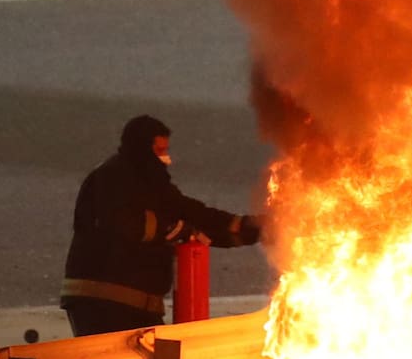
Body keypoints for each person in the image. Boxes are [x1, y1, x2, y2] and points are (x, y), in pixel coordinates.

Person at [60, 115, 262, 336]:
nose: (166, 158)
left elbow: (190, 213)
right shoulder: (111, 177)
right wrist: (174, 229)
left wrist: (245, 228)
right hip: (101, 303)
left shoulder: (152, 183)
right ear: (140, 148)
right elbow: (123, 223)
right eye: (159, 150)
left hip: (137, 305)